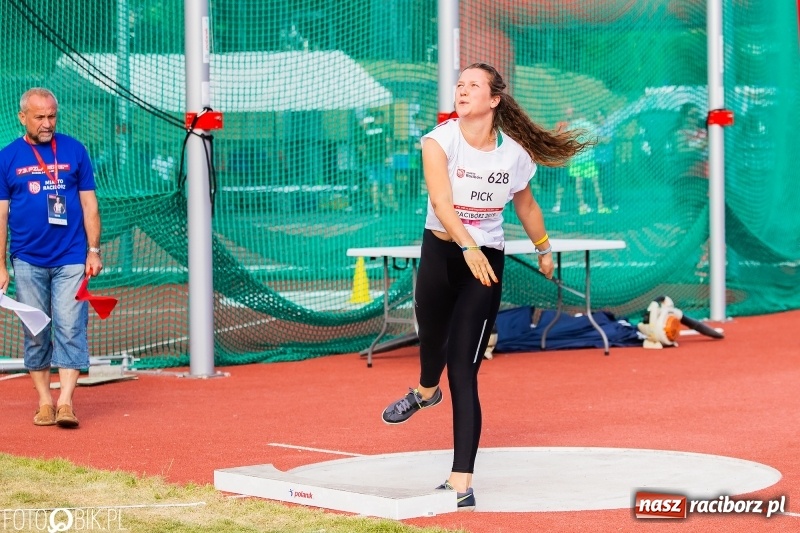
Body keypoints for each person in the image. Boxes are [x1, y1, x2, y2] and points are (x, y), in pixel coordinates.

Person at [380, 63, 591, 510]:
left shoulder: (513, 154)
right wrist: (466, 246)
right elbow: (440, 201)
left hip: (485, 265)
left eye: (472, 85)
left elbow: (527, 203)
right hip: (442, 255)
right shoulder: (439, 141)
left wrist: (543, 247)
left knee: (463, 368)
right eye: (459, 84)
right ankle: (423, 392)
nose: (461, 90)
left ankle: (461, 482)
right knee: (431, 345)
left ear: (493, 100)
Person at [0, 87, 103, 428]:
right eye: (40, 117)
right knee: (36, 331)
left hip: (72, 256)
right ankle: (44, 401)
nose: (47, 123)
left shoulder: (75, 150)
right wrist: (0, 264)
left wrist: (93, 249)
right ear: (23, 118)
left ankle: (66, 402)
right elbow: (1, 215)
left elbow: (90, 205)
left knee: (71, 327)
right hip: (27, 258)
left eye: (52, 116)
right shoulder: (7, 158)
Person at [359, 110, 398, 216]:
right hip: (383, 161)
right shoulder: (385, 128)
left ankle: (377, 209)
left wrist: (366, 157)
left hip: (370, 161)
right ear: (380, 118)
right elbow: (388, 142)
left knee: (374, 185)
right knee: (388, 184)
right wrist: (389, 156)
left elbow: (362, 147)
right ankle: (394, 208)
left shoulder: (367, 129)